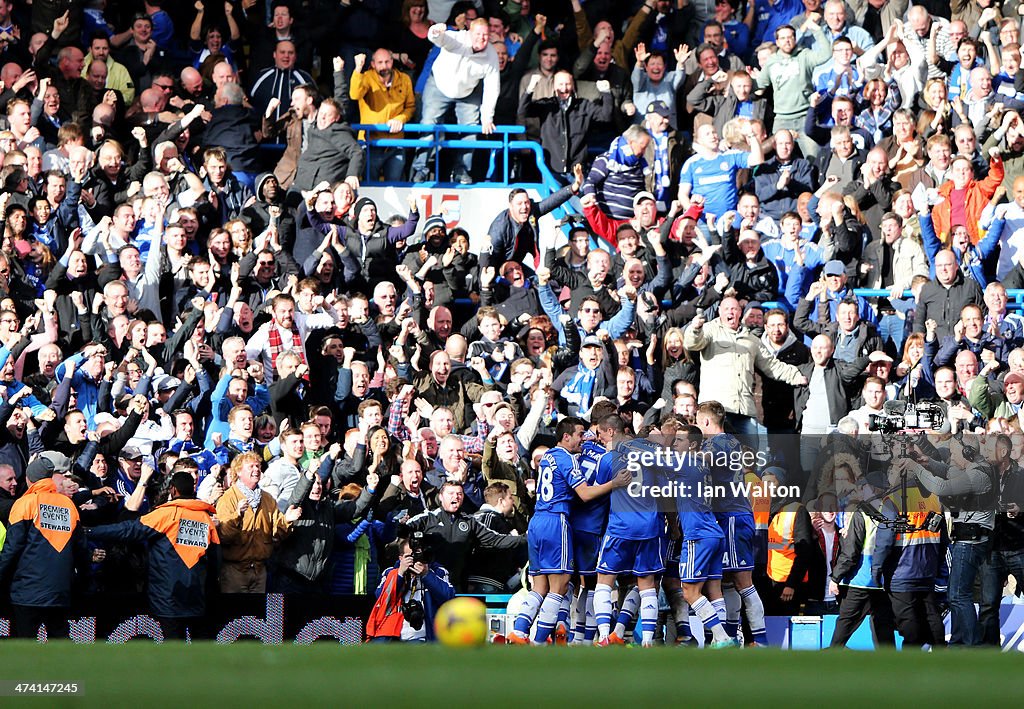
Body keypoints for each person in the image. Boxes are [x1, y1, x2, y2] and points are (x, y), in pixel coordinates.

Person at [508, 417, 630, 644]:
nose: (582, 439)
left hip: (536, 521)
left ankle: (519, 631)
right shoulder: (568, 459)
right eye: (579, 434)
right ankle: (539, 641)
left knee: (540, 585)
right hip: (557, 522)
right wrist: (614, 483)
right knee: (562, 583)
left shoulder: (548, 457)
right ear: (566, 436)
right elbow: (584, 494)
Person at [85, 471, 219, 639]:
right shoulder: (206, 519)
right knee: (200, 651)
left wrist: (90, 531)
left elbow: (128, 530)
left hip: (168, 597)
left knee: (172, 651)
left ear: (173, 490)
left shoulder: (165, 514)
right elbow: (215, 559)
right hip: (197, 597)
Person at [0, 453, 89, 638]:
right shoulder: (68, 505)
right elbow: (81, 550)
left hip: (27, 592)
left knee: (25, 649)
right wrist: (85, 583)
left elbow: (12, 548)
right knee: (59, 648)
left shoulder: (24, 503)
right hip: (60, 592)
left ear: (29, 479)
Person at [410, 18, 499, 183]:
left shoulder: (491, 54)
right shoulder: (458, 38)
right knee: (428, 125)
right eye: (478, 34)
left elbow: (492, 87)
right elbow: (439, 39)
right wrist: (436, 31)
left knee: (471, 130)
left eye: (485, 35)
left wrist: (487, 117)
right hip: (438, 85)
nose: (482, 38)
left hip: (468, 91)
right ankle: (420, 170)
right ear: (469, 33)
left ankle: (462, 171)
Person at [214, 452, 301, 593]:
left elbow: (277, 533)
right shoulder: (228, 498)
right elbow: (224, 536)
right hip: (234, 571)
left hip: (260, 571)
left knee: (257, 614)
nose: (256, 469)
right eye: (251, 467)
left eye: (258, 466)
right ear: (238, 471)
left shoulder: (267, 499)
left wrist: (287, 521)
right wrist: (237, 515)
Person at [365, 534, 455, 641]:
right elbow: (381, 598)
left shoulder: (438, 572)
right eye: (409, 556)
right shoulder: (390, 572)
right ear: (401, 558)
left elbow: (449, 598)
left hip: (422, 637)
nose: (414, 560)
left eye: (417, 555)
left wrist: (426, 575)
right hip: (390, 634)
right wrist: (400, 574)